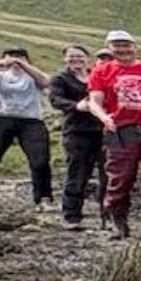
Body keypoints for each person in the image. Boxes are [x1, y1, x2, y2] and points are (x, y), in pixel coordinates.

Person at [85, 30, 141, 238]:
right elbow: (95, 101)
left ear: (135, 47)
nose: (123, 50)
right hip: (120, 130)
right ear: (109, 49)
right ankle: (117, 221)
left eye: (126, 45)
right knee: (120, 178)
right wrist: (104, 117)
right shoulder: (102, 71)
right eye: (117, 46)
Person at [0, 46, 53, 208]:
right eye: (11, 57)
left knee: (40, 160)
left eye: (21, 57)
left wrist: (24, 66)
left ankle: (43, 198)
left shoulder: (33, 77)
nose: (15, 61)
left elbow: (45, 82)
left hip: (31, 121)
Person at [50, 44, 102, 229]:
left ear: (87, 58)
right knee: (77, 171)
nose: (75, 60)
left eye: (79, 56)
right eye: (71, 56)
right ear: (65, 59)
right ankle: (72, 215)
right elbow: (55, 99)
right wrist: (76, 106)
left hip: (102, 130)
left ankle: (108, 216)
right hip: (77, 131)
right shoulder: (60, 78)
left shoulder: (97, 74)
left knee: (107, 173)